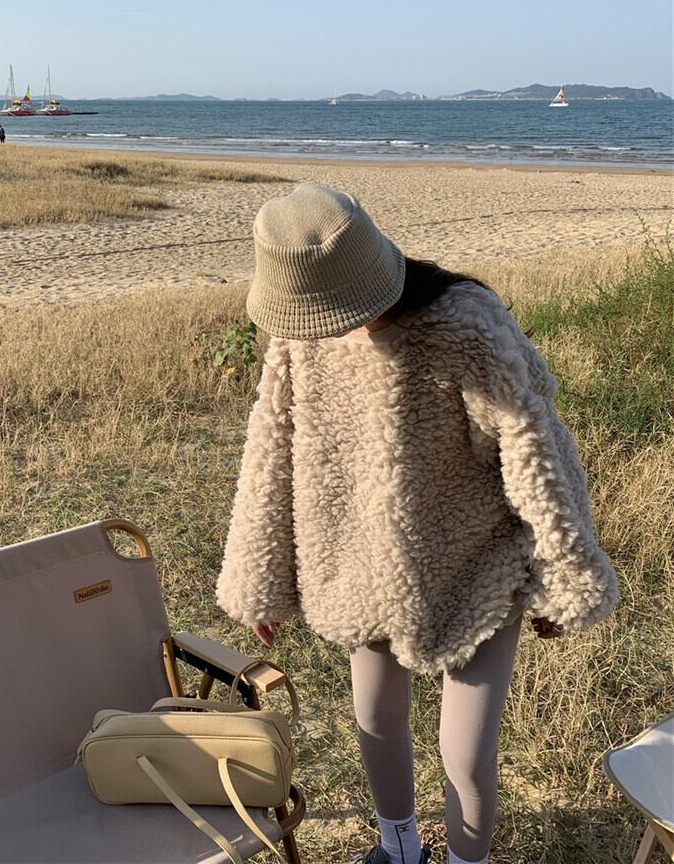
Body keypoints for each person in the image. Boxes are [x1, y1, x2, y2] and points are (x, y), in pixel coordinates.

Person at [215, 183, 619, 864]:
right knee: (374, 719)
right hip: (358, 562)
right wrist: (259, 581)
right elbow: (271, 449)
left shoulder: (465, 322)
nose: (330, 326)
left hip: (478, 564)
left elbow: (537, 449)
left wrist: (562, 577)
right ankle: (398, 848)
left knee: (465, 752)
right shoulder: (300, 337)